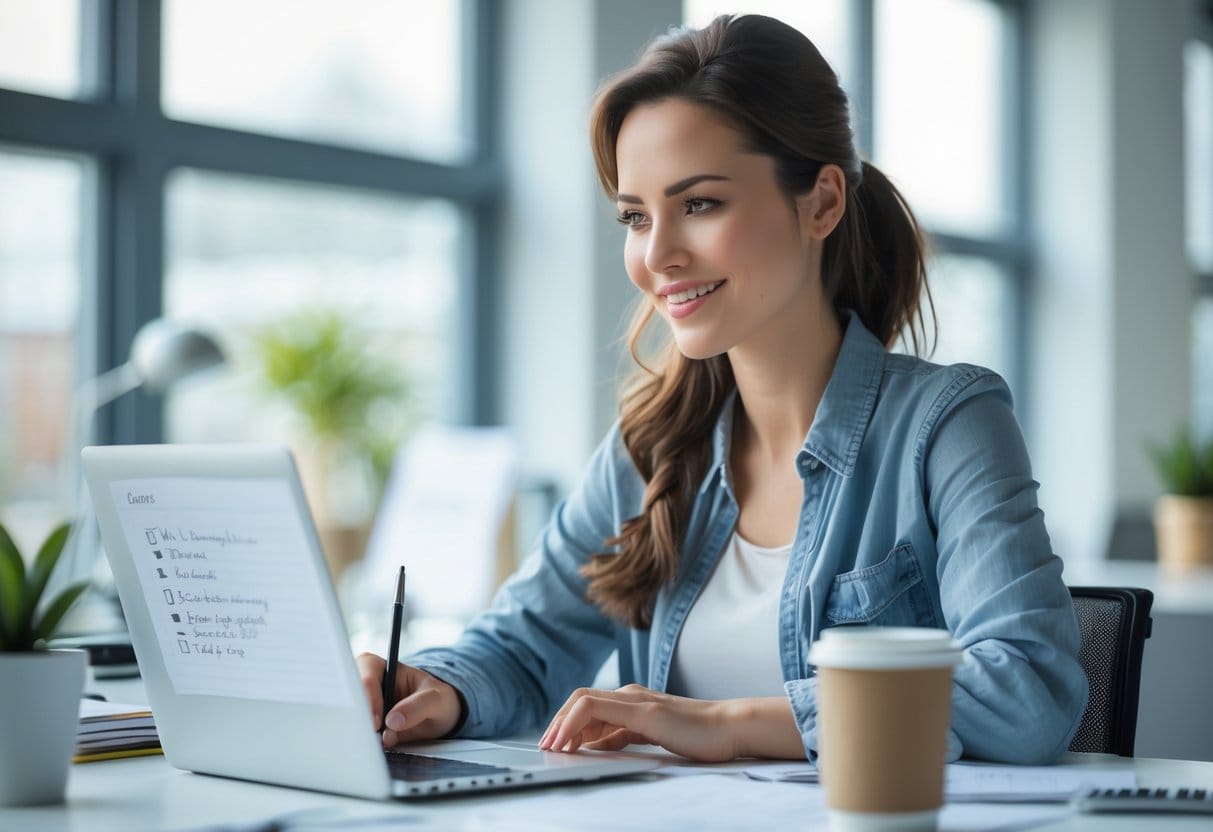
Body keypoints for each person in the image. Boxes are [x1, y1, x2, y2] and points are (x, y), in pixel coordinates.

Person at [356, 12, 1087, 765]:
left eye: (699, 204)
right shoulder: (649, 449)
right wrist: (434, 689)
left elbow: (1027, 690)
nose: (657, 255)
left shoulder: (945, 426)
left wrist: (721, 723)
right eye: (636, 217)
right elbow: (524, 645)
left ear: (822, 203)